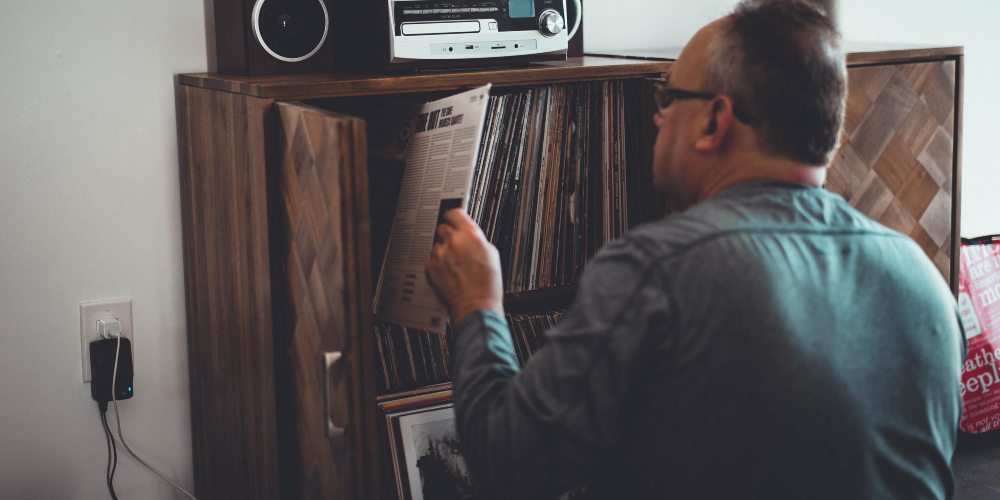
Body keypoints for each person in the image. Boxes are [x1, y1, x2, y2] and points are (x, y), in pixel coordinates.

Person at [426, 0, 965, 498]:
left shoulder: (654, 270)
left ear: (714, 120)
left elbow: (510, 466)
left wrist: (477, 304)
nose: (658, 117)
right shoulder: (925, 282)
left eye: (668, 97)